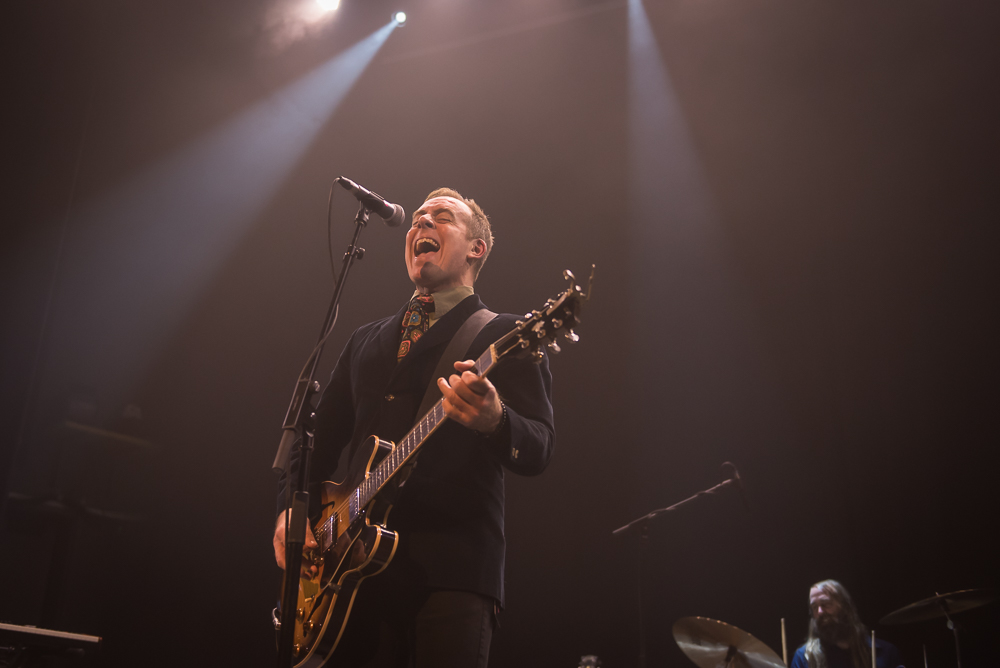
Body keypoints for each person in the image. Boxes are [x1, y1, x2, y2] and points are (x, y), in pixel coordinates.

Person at [273, 188, 555, 667]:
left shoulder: (502, 333)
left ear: (476, 248)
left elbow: (540, 446)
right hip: (350, 578)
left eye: (441, 217)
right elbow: (313, 442)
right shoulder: (366, 338)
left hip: (450, 574)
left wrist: (496, 421)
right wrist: (291, 515)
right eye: (418, 218)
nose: (421, 223)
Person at [790, 580, 904, 668]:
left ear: (845, 607)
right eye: (814, 607)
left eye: (826, 604)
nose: (820, 612)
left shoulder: (885, 652)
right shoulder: (805, 658)